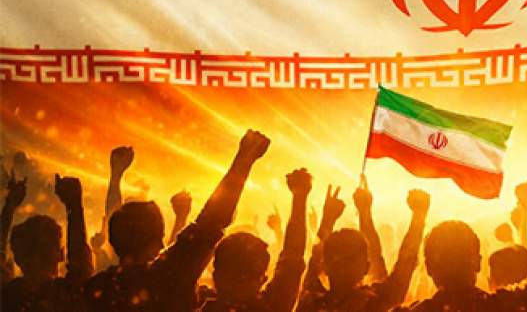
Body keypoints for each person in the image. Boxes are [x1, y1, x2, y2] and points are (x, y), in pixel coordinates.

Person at [84, 130, 271, 312]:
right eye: (160, 237)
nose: (162, 245)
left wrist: (113, 178)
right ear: (153, 243)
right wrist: (243, 160)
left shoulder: (95, 290)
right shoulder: (167, 278)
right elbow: (211, 221)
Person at [397, 158, 527, 312]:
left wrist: (418, 217)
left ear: (429, 268)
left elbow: (393, 286)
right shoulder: (503, 308)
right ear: (478, 262)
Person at [298, 187, 430, 312]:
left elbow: (312, 269)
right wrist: (419, 215)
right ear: (366, 267)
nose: (343, 266)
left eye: (348, 259)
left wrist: (328, 219)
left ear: (324, 266)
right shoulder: (373, 303)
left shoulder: (311, 305)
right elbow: (404, 268)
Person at [199, 168, 312, 312]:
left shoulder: (184, 303)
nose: (238, 286)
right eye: (238, 276)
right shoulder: (272, 307)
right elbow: (292, 258)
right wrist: (299, 197)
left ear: (215, 276)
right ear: (263, 279)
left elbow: (185, 259)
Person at [2, 174, 94, 312]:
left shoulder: (7, 297)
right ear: (61, 255)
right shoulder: (66, 296)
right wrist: (74, 207)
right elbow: (80, 267)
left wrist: (9, 207)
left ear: (17, 258)